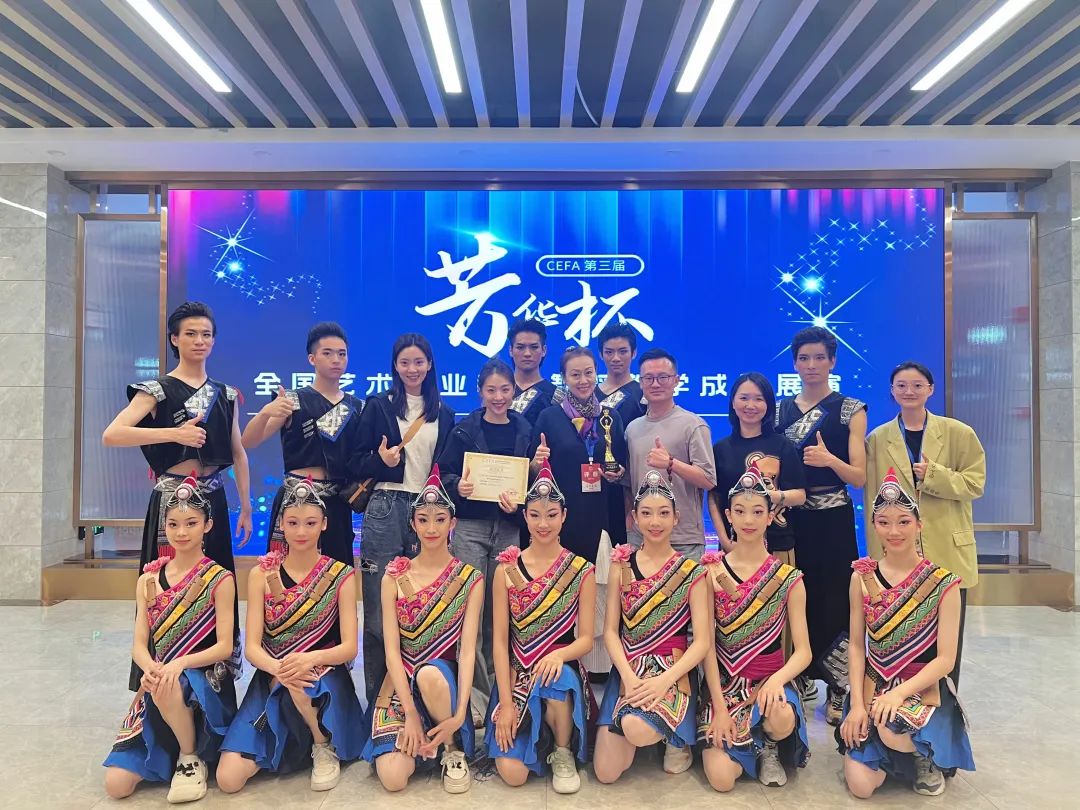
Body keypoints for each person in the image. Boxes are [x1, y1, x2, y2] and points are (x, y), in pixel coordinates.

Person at [102, 300, 249, 690]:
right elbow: (113, 434)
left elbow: (238, 453)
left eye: (206, 334)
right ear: (174, 339)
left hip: (213, 499)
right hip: (171, 502)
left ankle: (215, 683)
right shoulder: (157, 390)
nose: (200, 340)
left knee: (216, 586)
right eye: (191, 334)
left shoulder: (226, 394)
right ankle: (158, 680)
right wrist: (175, 434)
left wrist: (247, 506)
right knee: (165, 590)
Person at [216, 478, 363, 794]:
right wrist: (280, 669)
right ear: (280, 523)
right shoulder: (261, 574)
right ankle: (287, 741)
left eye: (310, 523)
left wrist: (309, 660)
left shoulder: (341, 575)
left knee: (302, 685)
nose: (301, 532)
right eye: (293, 523)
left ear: (324, 524)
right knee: (228, 779)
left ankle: (322, 741)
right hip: (274, 675)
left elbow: (350, 647)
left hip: (322, 676)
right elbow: (252, 647)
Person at [837, 470, 974, 798]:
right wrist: (856, 704)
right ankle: (891, 758)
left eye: (903, 521)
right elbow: (856, 646)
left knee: (893, 728)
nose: (894, 531)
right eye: (884, 522)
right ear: (874, 526)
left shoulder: (943, 583)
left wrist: (898, 694)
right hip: (873, 686)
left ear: (919, 525)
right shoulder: (862, 577)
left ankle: (923, 755)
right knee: (861, 787)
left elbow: (946, 660)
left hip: (922, 688)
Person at [103, 476, 238, 803]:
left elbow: (224, 646)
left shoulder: (220, 579)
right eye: (174, 524)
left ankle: (190, 756)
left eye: (191, 523)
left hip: (203, 681)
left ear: (207, 526)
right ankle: (167, 750)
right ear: (164, 526)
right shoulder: (148, 579)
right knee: (116, 785)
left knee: (170, 684)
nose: (182, 532)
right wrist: (150, 667)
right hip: (160, 678)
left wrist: (179, 664)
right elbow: (139, 643)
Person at [349, 333, 456, 706]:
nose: (412, 369)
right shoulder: (378, 406)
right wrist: (382, 462)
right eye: (405, 362)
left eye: (419, 362)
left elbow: (446, 468)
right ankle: (379, 706)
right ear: (395, 366)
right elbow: (354, 462)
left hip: (427, 512)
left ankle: (421, 699)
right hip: (385, 507)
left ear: (430, 365)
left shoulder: (443, 413)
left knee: (424, 603)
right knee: (379, 609)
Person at [362, 466, 484, 794]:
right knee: (393, 778)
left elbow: (467, 651)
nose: (431, 528)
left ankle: (451, 747)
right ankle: (421, 742)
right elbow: (391, 652)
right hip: (402, 684)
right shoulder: (393, 577)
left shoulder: (470, 579)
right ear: (413, 524)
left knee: (430, 674)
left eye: (440, 519)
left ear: (452, 523)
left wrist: (460, 713)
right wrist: (411, 713)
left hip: (442, 682)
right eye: (423, 520)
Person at [865, 361, 985, 688]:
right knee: (901, 635)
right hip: (898, 555)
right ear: (892, 391)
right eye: (901, 385)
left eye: (917, 385)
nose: (909, 391)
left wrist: (934, 475)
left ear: (930, 389)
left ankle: (944, 703)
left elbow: (975, 484)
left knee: (947, 639)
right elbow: (873, 498)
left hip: (946, 548)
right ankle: (901, 698)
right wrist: (876, 555)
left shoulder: (958, 433)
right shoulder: (878, 438)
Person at [697, 463, 811, 792]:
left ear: (770, 516)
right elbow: (706, 646)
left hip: (768, 682)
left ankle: (768, 746)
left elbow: (803, 651)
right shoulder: (711, 573)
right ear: (728, 516)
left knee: (781, 716)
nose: (748, 520)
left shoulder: (788, 577)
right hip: (724, 685)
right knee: (722, 780)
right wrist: (719, 706)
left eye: (757, 511)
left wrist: (777, 679)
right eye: (740, 511)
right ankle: (745, 742)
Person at [486, 461, 598, 794]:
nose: (543, 523)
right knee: (513, 774)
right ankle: (536, 736)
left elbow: (586, 640)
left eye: (551, 515)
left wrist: (558, 655)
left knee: (556, 679)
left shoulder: (581, 570)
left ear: (564, 516)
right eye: (535, 515)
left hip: (560, 672)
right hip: (517, 674)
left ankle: (562, 749)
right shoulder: (506, 570)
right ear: (524, 517)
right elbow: (500, 642)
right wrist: (507, 703)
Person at [593, 470, 711, 783]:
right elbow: (610, 632)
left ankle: (674, 737)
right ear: (634, 518)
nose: (654, 522)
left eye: (663, 513)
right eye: (646, 513)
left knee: (635, 728)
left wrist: (664, 681)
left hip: (673, 669)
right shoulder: (621, 565)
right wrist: (629, 678)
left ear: (676, 517)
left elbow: (702, 642)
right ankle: (651, 727)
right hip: (630, 668)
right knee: (606, 773)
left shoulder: (692, 572)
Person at [775, 327, 867, 724]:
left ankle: (840, 687)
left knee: (835, 599)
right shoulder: (779, 410)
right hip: (790, 518)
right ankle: (799, 677)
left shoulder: (850, 409)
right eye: (803, 358)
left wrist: (830, 461)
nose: (811, 365)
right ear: (794, 364)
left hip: (833, 519)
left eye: (818, 358)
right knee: (795, 597)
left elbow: (860, 477)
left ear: (832, 361)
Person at [436, 358, 531, 717]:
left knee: (502, 613)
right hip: (471, 529)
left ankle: (501, 692)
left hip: (509, 529)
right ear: (480, 392)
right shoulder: (463, 430)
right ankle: (475, 699)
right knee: (470, 613)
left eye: (505, 389)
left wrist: (521, 500)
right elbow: (443, 474)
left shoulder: (525, 429)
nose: (499, 396)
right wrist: (457, 487)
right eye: (491, 390)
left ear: (513, 391)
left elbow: (531, 483)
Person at [530, 347, 626, 677]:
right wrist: (536, 463)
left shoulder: (611, 417)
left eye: (588, 373)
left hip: (603, 518)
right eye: (575, 374)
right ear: (564, 378)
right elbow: (534, 471)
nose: (583, 380)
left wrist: (618, 473)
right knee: (564, 592)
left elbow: (621, 466)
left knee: (603, 592)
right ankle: (565, 663)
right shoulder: (549, 417)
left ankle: (601, 670)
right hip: (563, 522)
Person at [241, 321, 363, 566]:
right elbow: (249, 441)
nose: (336, 360)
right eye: (327, 353)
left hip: (337, 502)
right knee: (287, 574)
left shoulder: (357, 406)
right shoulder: (292, 400)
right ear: (312, 359)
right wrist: (265, 412)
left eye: (342, 354)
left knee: (336, 573)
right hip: (297, 499)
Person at [624, 348, 716, 562]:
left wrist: (671, 463)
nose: (655, 384)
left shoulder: (693, 425)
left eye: (663, 377)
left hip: (683, 538)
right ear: (640, 382)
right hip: (640, 537)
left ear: (676, 380)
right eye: (649, 378)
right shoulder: (632, 429)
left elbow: (708, 480)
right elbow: (629, 484)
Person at [708, 373, 806, 559]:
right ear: (733, 402)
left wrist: (768, 496)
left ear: (768, 404)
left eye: (759, 399)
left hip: (777, 543)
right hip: (733, 545)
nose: (750, 405)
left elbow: (800, 496)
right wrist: (724, 540)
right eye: (744, 398)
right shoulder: (720, 448)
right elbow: (714, 497)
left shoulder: (782, 445)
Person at [595, 321, 645, 546]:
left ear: (633, 353)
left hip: (629, 487)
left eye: (622, 351)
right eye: (609, 352)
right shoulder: (588, 394)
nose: (616, 358)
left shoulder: (644, 394)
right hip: (592, 485)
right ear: (601, 354)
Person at [508, 318, 558, 426]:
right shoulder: (499, 392)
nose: (527, 353)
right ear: (511, 350)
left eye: (534, 347)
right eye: (520, 347)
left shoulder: (557, 396)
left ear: (544, 350)